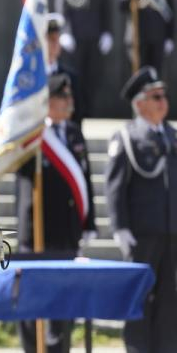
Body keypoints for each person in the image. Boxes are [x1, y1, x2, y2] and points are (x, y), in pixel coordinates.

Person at [15, 73, 96, 353]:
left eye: (70, 96)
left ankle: (59, 346)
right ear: (47, 102)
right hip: (39, 231)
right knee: (34, 301)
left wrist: (89, 223)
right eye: (63, 97)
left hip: (68, 232)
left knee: (66, 301)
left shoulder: (74, 133)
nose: (69, 101)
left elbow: (84, 180)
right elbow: (21, 175)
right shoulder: (34, 136)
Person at [105, 66, 177, 352]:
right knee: (141, 297)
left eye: (163, 95)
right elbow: (115, 187)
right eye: (155, 96)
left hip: (171, 231)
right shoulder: (127, 137)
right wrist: (119, 227)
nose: (163, 101)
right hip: (142, 233)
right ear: (140, 103)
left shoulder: (171, 136)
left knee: (169, 298)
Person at [54, 0, 112, 117]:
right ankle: (75, 111)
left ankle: (89, 111)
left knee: (93, 77)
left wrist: (107, 32)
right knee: (74, 76)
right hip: (73, 39)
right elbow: (61, 8)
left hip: (94, 37)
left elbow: (106, 10)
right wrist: (64, 33)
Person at [117, 0, 174, 74]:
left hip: (157, 37)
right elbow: (122, 6)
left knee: (155, 76)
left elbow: (169, 13)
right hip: (137, 38)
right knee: (138, 76)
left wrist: (169, 37)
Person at [45, 13, 84, 126]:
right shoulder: (31, 77)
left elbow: (77, 116)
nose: (55, 44)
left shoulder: (71, 77)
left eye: (57, 39)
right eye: (51, 39)